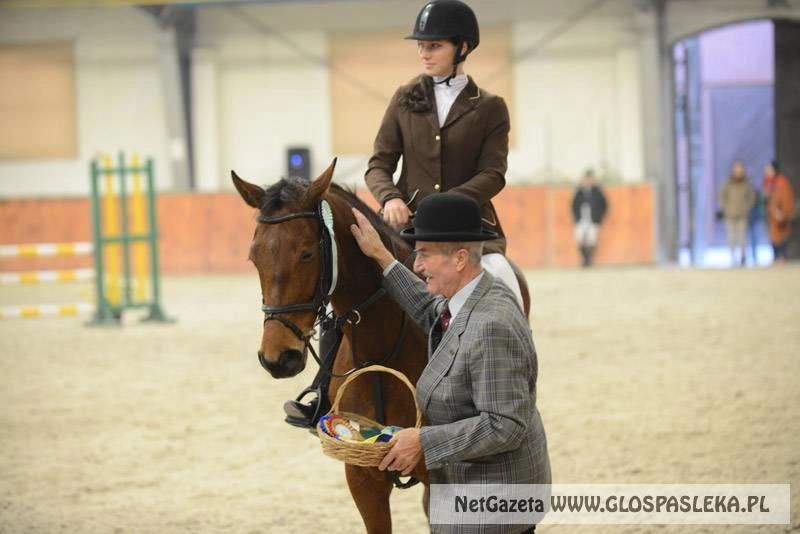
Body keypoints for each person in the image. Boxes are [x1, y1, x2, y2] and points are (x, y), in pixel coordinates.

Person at [285, 0, 522, 428]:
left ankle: (502, 382)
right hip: (407, 229)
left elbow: (494, 173)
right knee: (350, 293)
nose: (424, 53)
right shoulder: (404, 99)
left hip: (473, 231)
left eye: (434, 45)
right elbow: (378, 164)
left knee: (504, 281)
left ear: (463, 47)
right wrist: (390, 197)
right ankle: (323, 390)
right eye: (421, 46)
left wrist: (448, 206)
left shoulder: (490, 107)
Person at [350, 192, 551, 534]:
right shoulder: (467, 296)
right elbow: (430, 311)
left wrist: (423, 442)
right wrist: (382, 257)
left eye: (424, 254)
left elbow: (505, 426)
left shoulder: (492, 324)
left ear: (459, 259)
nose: (417, 265)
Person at [717, 160, 756, 267]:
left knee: (742, 237)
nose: (738, 171)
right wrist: (724, 207)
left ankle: (743, 257)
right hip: (729, 214)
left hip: (743, 214)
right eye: (736, 169)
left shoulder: (746, 183)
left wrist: (747, 207)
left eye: (740, 169)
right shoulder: (727, 183)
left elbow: (751, 197)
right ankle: (733, 257)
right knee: (731, 237)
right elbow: (721, 196)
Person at [570, 169, 607, 267]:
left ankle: (589, 260)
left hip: (593, 219)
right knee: (579, 238)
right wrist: (576, 217)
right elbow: (573, 205)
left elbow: (603, 205)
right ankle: (584, 258)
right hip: (581, 219)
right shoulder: (579, 192)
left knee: (591, 239)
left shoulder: (597, 191)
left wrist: (598, 217)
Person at [762, 160, 795, 264]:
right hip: (771, 214)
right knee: (774, 236)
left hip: (780, 214)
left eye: (769, 169)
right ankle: (776, 257)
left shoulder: (781, 182)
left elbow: (786, 199)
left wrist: (783, 213)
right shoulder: (768, 182)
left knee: (782, 236)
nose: (767, 171)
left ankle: (783, 257)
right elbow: (767, 199)